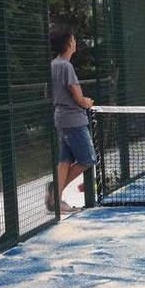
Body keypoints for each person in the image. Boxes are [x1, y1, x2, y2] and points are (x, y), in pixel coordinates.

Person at [48, 26, 95, 215]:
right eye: (73, 39)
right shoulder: (66, 66)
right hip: (73, 120)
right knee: (88, 159)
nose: (75, 42)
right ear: (68, 43)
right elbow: (77, 96)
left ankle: (56, 198)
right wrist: (86, 103)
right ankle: (55, 192)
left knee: (65, 160)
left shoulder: (53, 64)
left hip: (61, 118)